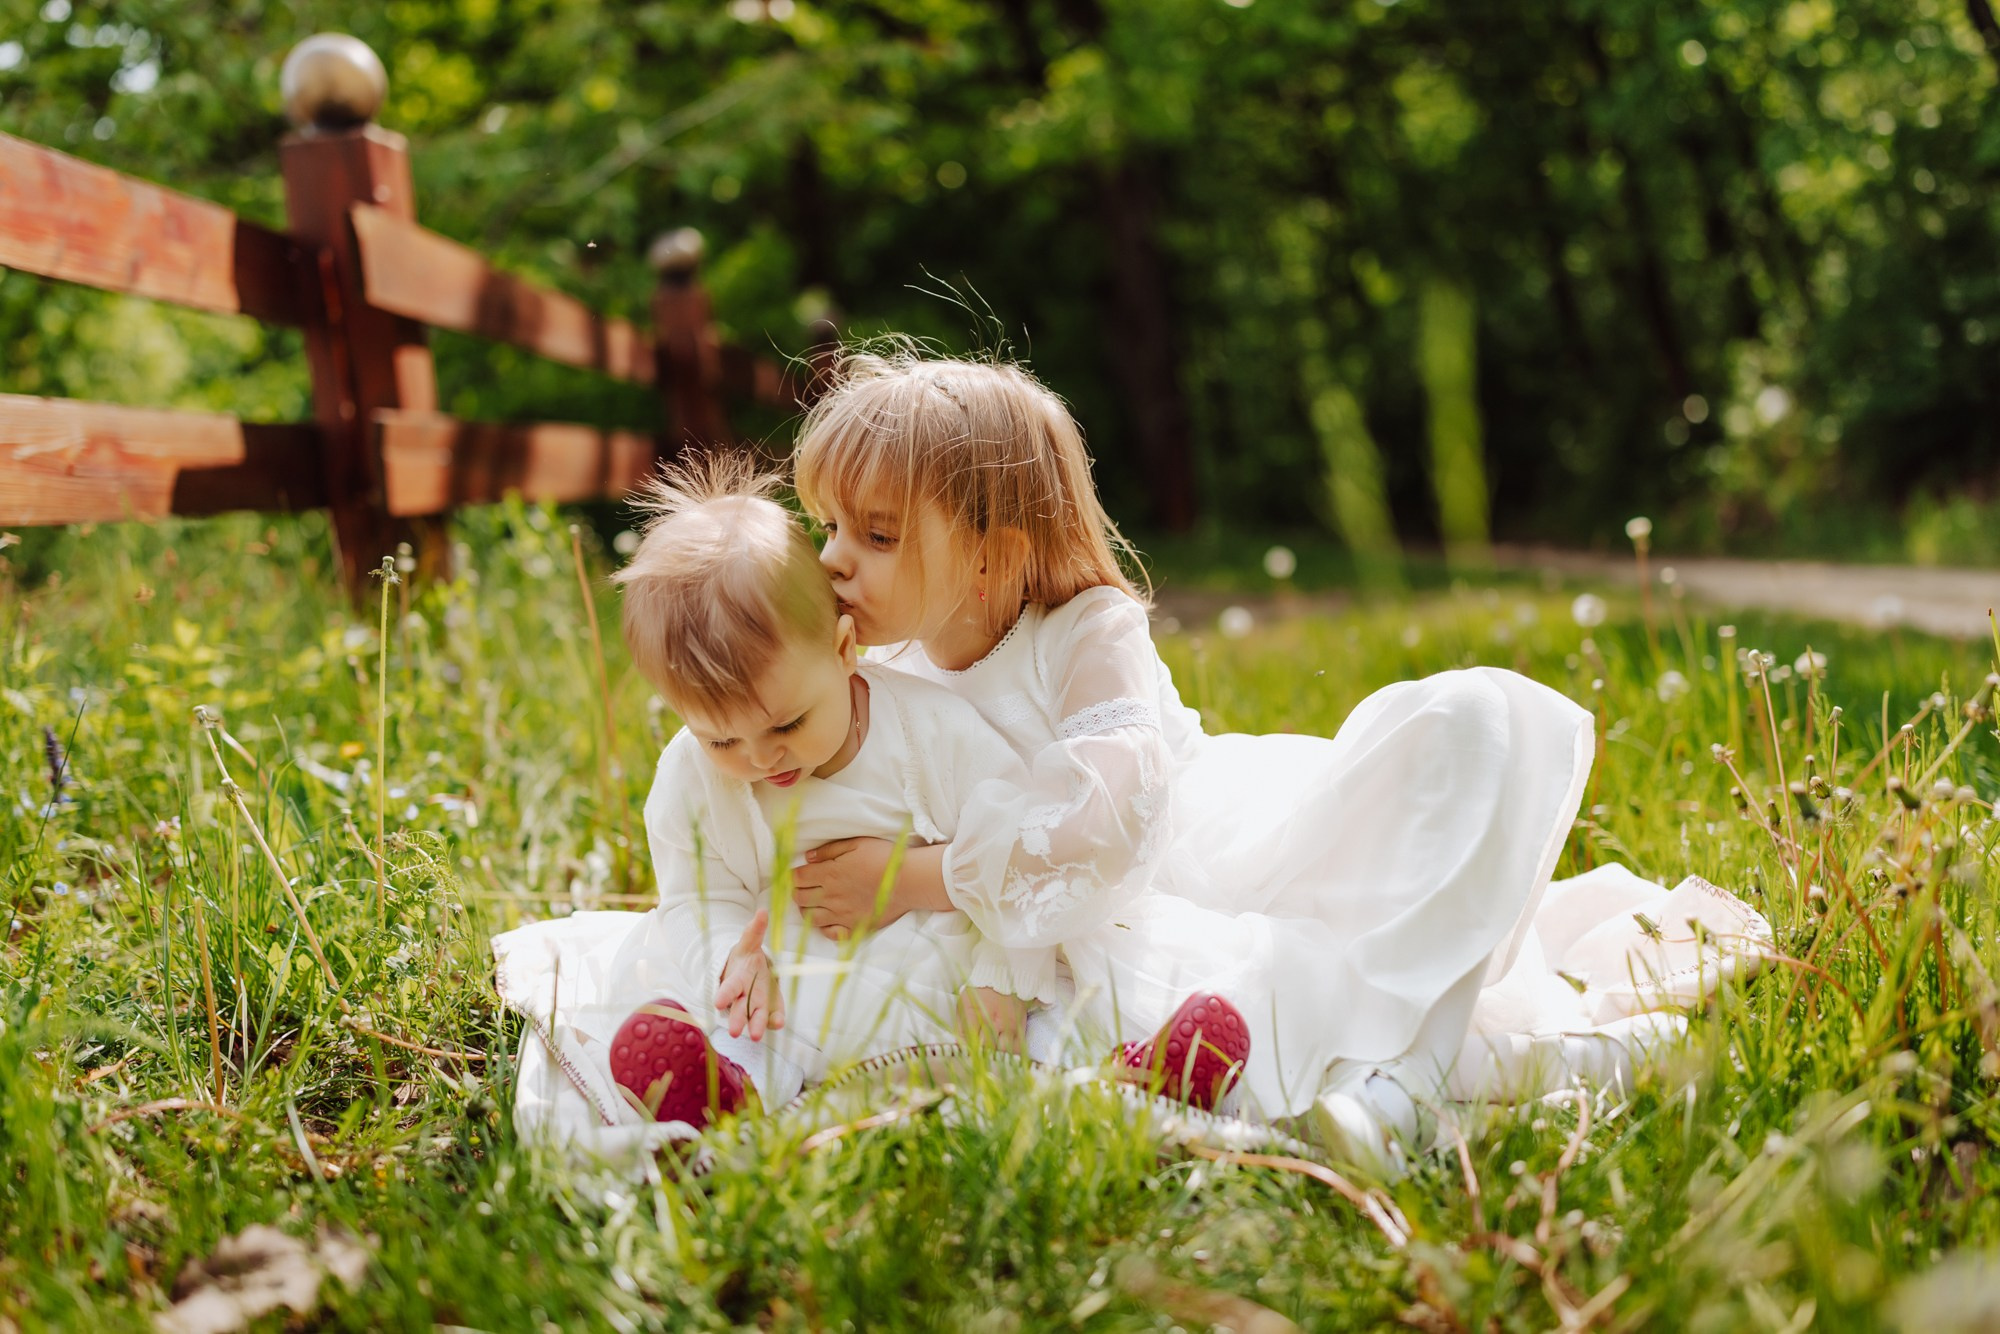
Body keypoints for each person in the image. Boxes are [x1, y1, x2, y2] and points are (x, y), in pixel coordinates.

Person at [787, 350, 1771, 1177]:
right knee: (1251, 1020)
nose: (832, 559)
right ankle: (1428, 1086)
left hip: (1222, 848)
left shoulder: (1084, 631)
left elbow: (1112, 820)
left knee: (1472, 720)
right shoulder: (880, 671)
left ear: (992, 556)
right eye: (826, 524)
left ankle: (1410, 1089)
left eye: (874, 534)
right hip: (1094, 935)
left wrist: (917, 877)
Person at [495, 455, 1248, 1138]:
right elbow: (698, 892)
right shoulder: (691, 777)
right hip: (792, 964)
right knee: (745, 1027)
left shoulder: (930, 732)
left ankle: (1122, 1080)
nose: (759, 760)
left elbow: (1016, 852)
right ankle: (723, 1096)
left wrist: (999, 982)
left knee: (1026, 1027)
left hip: (941, 950)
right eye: (722, 739)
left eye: (786, 723)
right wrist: (731, 958)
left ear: (846, 650)